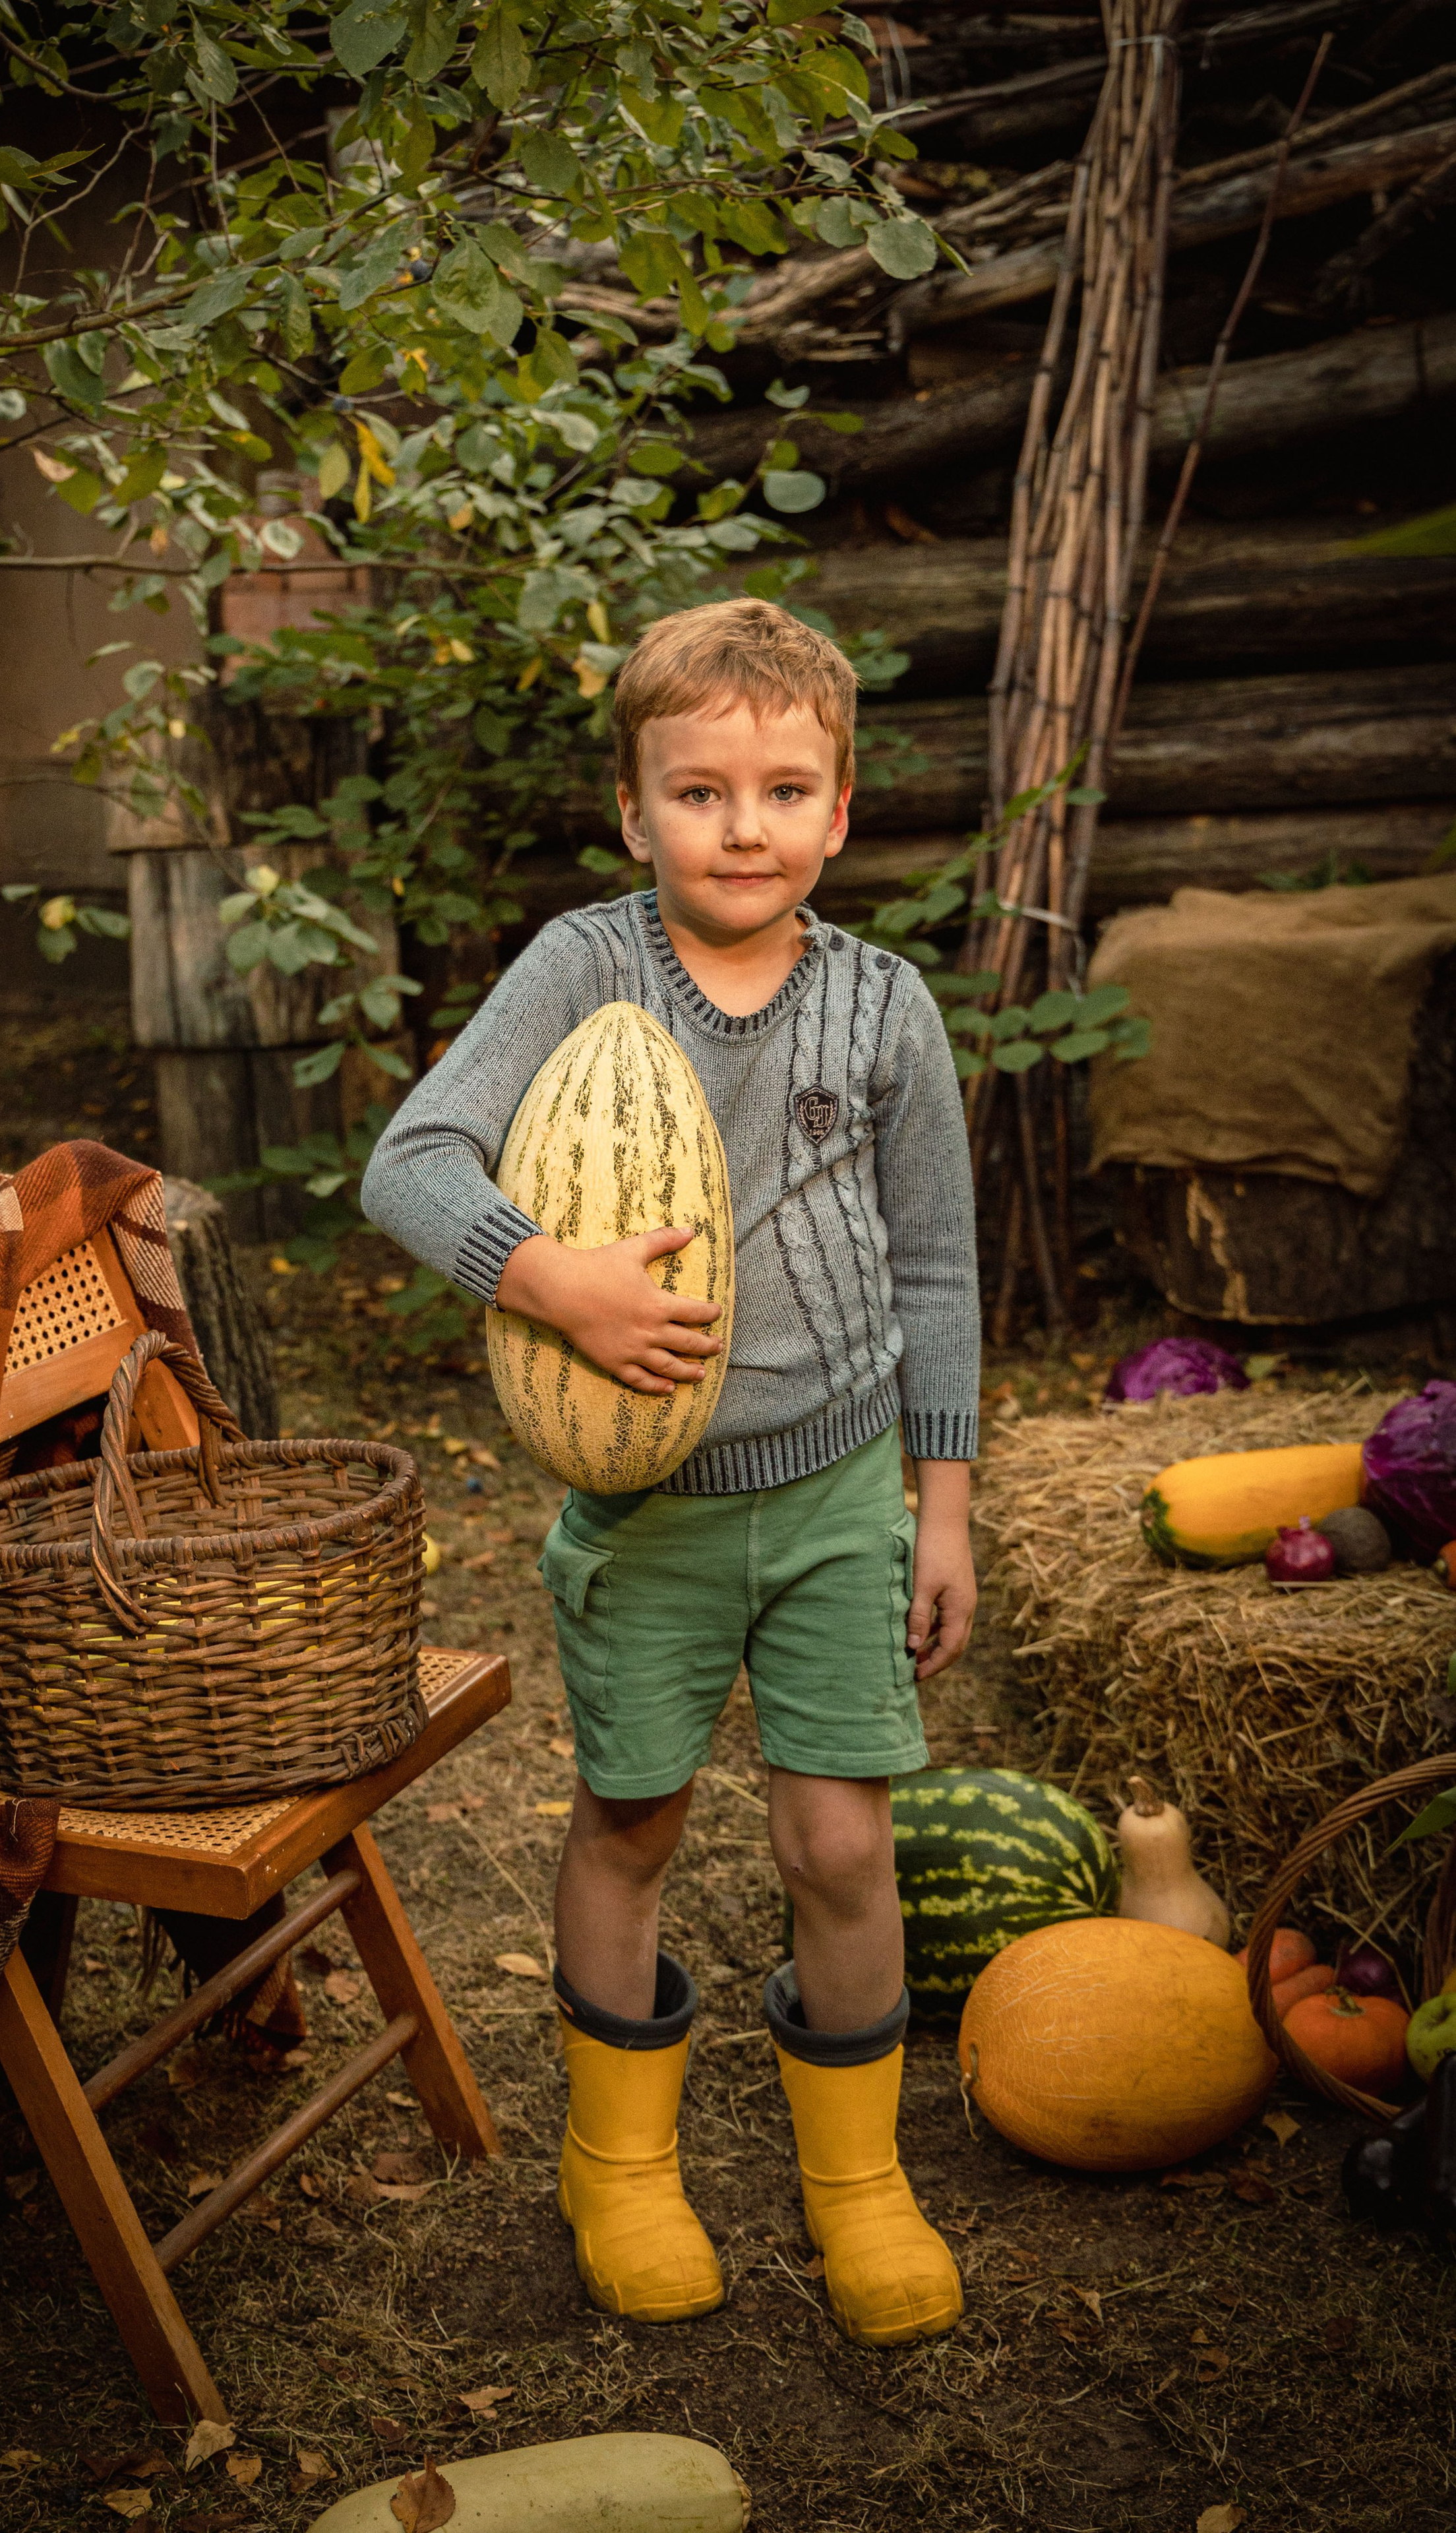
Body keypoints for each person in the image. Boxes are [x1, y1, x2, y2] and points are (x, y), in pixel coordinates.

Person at [361, 597, 979, 2346]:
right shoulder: (586, 969)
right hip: (647, 1509)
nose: (743, 824)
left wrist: (945, 1503)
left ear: (840, 810)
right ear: (635, 811)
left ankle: (856, 2180)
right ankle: (619, 2165)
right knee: (631, 1818)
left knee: (840, 1843)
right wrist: (544, 1274)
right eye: (698, 790)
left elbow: (934, 1268)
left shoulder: (884, 1008)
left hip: (845, 1489)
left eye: (786, 788)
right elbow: (411, 1162)